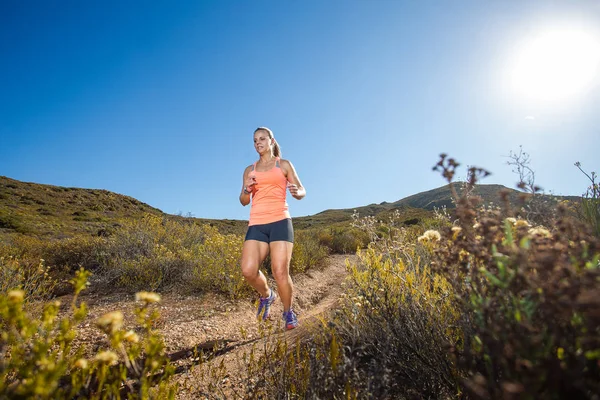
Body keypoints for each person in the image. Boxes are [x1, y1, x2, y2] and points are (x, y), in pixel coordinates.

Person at [239, 127, 306, 330]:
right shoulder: (249, 170)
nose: (258, 143)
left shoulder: (283, 164)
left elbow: (302, 190)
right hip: (257, 223)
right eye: (254, 140)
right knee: (248, 270)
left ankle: (288, 312)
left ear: (271, 141)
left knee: (280, 272)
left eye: (261, 139)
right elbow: (243, 201)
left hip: (280, 221)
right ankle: (267, 296)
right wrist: (246, 188)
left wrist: (296, 192)